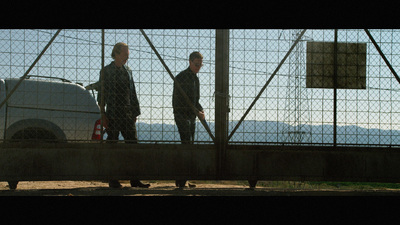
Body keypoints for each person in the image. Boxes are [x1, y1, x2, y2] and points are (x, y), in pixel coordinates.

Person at [98, 42, 150, 188]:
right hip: (113, 114)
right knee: (113, 145)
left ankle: (134, 179)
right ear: (116, 53)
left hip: (127, 113)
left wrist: (135, 112)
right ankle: (112, 179)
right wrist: (103, 114)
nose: (127, 57)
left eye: (128, 54)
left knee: (133, 145)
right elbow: (102, 95)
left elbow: (132, 92)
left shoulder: (128, 70)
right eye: (125, 54)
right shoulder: (106, 71)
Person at [172, 51, 205, 188]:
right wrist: (196, 111)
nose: (198, 67)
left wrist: (200, 110)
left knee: (189, 145)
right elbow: (181, 101)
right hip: (182, 115)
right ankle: (180, 179)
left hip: (191, 116)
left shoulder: (195, 78)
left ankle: (184, 178)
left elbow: (195, 100)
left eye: (200, 65)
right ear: (190, 62)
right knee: (186, 145)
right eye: (196, 64)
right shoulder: (182, 77)